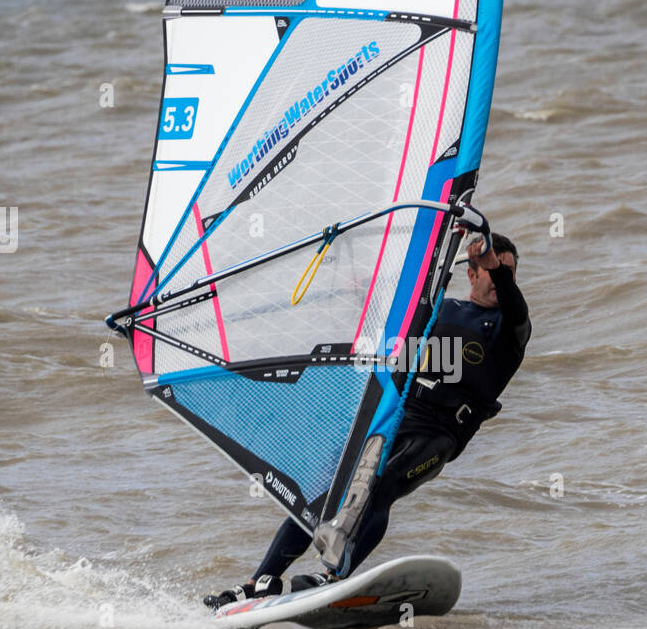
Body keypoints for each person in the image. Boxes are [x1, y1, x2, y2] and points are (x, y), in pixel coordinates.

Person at [205, 231, 531, 609]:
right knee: (328, 487)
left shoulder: (511, 330)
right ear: (471, 274)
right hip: (395, 417)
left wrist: (497, 267)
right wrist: (358, 285)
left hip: (439, 434)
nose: (500, 277)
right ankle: (260, 581)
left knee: (381, 486)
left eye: (508, 272)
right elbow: (387, 319)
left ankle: (333, 576)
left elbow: (515, 305)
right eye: (491, 271)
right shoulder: (441, 311)